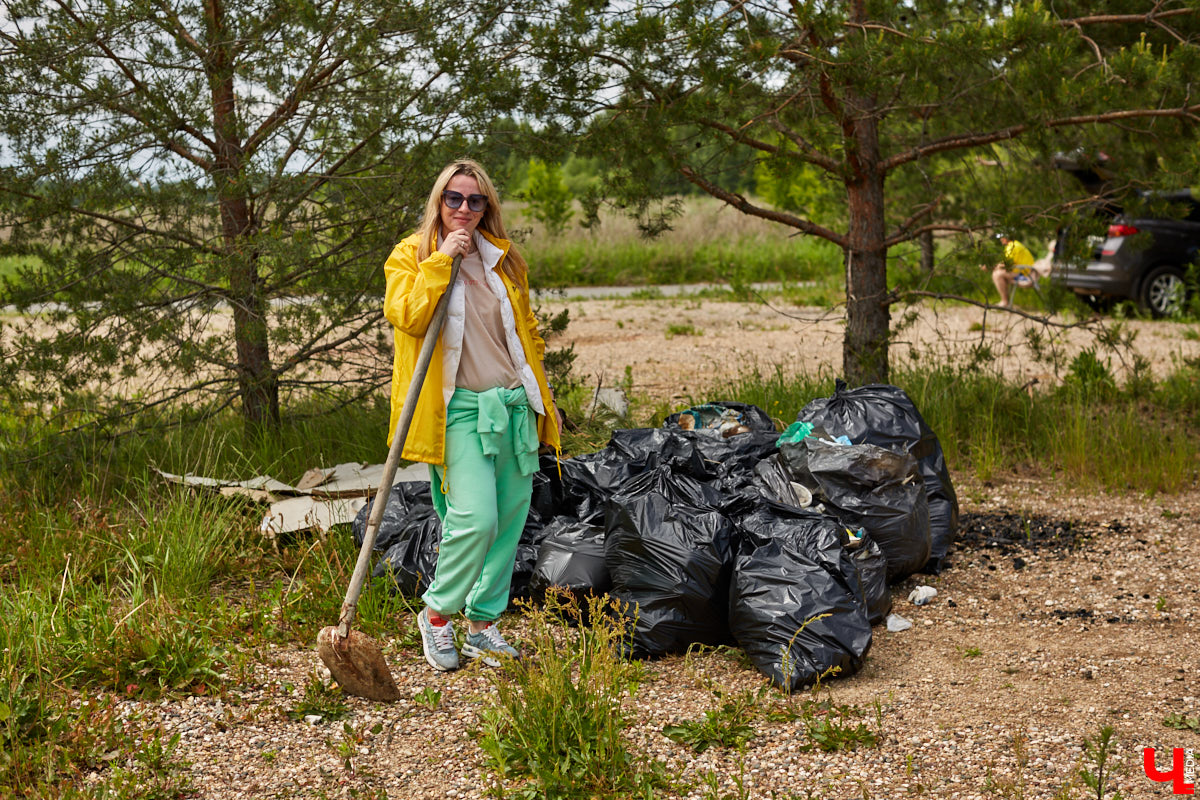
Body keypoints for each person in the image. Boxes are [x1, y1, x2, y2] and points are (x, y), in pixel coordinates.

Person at [382, 159, 560, 671]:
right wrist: (441, 260)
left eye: (475, 201)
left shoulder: (503, 259)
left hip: (512, 405)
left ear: (487, 208)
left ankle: (483, 624)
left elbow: (525, 337)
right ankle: (437, 615)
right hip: (456, 409)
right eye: (454, 199)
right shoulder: (410, 256)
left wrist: (544, 401)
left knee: (508, 521)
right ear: (438, 202)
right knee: (474, 517)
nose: (464, 209)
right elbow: (408, 316)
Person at [985, 234, 1051, 308]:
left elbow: (1006, 264)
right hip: (1025, 272)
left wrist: (990, 267)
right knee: (998, 273)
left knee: (997, 275)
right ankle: (1006, 302)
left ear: (1006, 238)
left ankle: (1005, 302)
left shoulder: (1013, 246)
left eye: (1002, 238)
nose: (1001, 240)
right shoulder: (1015, 244)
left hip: (1026, 275)